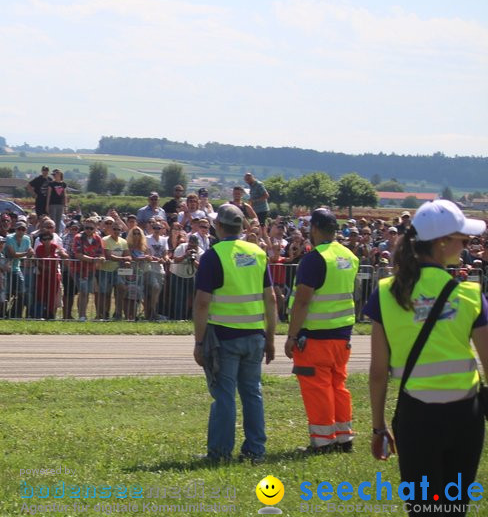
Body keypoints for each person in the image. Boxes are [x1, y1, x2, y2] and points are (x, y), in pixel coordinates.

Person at [365, 200, 487, 512]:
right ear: (442, 242)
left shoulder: (386, 292)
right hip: (465, 418)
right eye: (463, 239)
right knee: (454, 507)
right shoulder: (470, 295)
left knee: (423, 508)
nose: (467, 245)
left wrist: (379, 427)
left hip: (416, 418)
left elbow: (378, 371)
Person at [192, 204, 278, 464]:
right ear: (241, 228)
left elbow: (202, 303)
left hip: (224, 337)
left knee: (224, 395)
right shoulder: (257, 253)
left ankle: (219, 452)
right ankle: (255, 450)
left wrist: (198, 341)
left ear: (218, 226)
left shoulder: (213, 256)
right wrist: (271, 338)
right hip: (255, 335)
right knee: (253, 393)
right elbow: (271, 299)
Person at [283, 208, 359, 453]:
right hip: (342, 336)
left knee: (318, 389)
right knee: (338, 386)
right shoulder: (349, 256)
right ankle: (344, 437)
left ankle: (323, 441)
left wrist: (292, 336)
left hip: (315, 337)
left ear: (314, 229)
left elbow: (303, 301)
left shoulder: (315, 258)